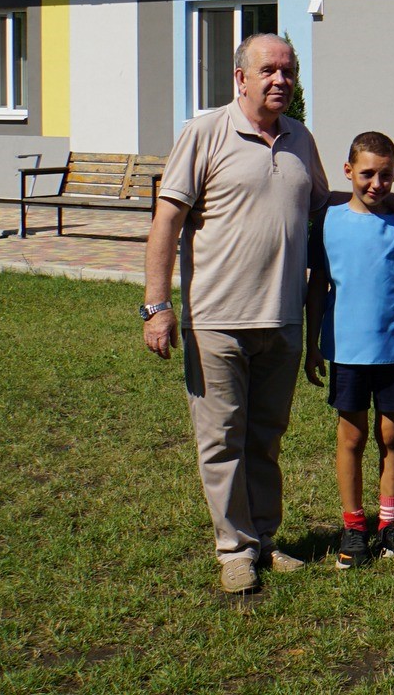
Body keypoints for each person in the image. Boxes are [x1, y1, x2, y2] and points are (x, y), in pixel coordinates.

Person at [142, 33, 329, 595]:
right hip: (216, 319)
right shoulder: (204, 133)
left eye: (288, 71)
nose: (280, 80)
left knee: (267, 437)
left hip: (282, 318)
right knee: (223, 439)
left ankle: (265, 540)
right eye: (268, 69)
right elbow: (165, 224)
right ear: (240, 78)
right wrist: (157, 307)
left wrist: (387, 204)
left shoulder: (301, 140)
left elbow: (324, 214)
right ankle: (234, 550)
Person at [304, 131, 394, 569]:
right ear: (349, 172)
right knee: (352, 437)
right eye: (366, 174)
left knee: (392, 435)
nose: (376, 183)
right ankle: (353, 526)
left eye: (385, 175)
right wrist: (312, 344)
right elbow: (318, 288)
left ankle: (390, 523)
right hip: (346, 351)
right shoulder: (328, 220)